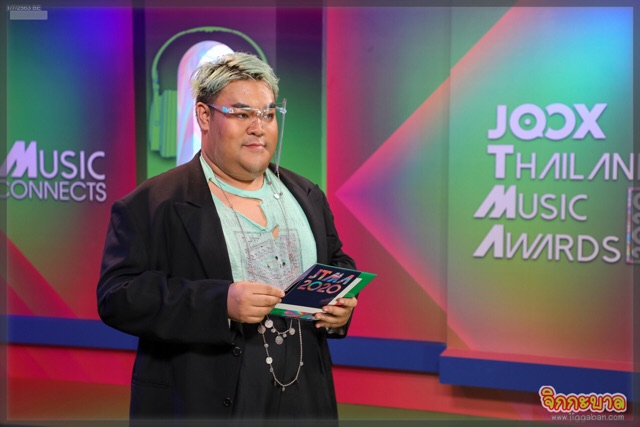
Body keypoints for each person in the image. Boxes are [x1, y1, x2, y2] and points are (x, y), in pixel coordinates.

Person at [97, 52, 358, 423]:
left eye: (268, 114)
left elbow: (336, 261)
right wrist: (220, 302)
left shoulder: (307, 194)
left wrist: (340, 308)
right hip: (207, 401)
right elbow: (117, 296)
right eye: (241, 114)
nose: (258, 127)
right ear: (204, 116)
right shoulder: (152, 203)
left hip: (307, 399)